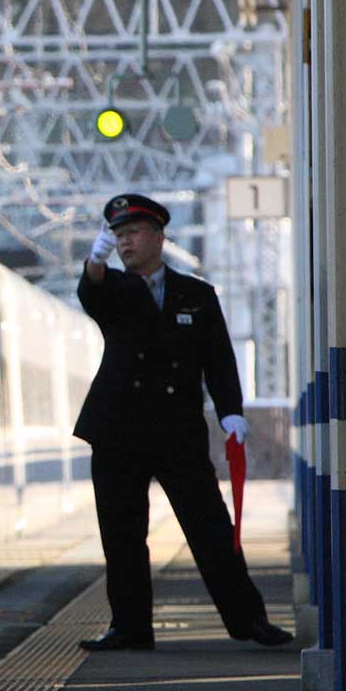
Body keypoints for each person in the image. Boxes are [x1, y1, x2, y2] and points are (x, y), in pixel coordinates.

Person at [72, 193, 294, 651]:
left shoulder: (197, 294)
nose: (125, 243)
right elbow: (90, 293)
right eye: (117, 237)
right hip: (116, 429)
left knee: (211, 528)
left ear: (158, 236)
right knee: (122, 534)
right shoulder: (112, 288)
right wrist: (93, 262)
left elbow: (218, 360)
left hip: (177, 430)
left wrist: (232, 410)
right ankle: (130, 627)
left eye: (133, 233)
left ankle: (249, 620)